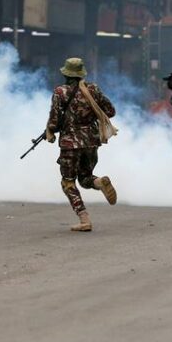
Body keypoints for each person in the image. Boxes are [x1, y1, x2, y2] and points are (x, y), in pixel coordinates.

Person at [45, 58, 117, 232]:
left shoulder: (60, 92)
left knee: (68, 182)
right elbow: (110, 111)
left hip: (70, 144)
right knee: (85, 178)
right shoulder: (93, 89)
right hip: (91, 141)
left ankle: (84, 219)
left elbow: (54, 120)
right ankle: (100, 182)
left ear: (65, 74)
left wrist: (50, 131)